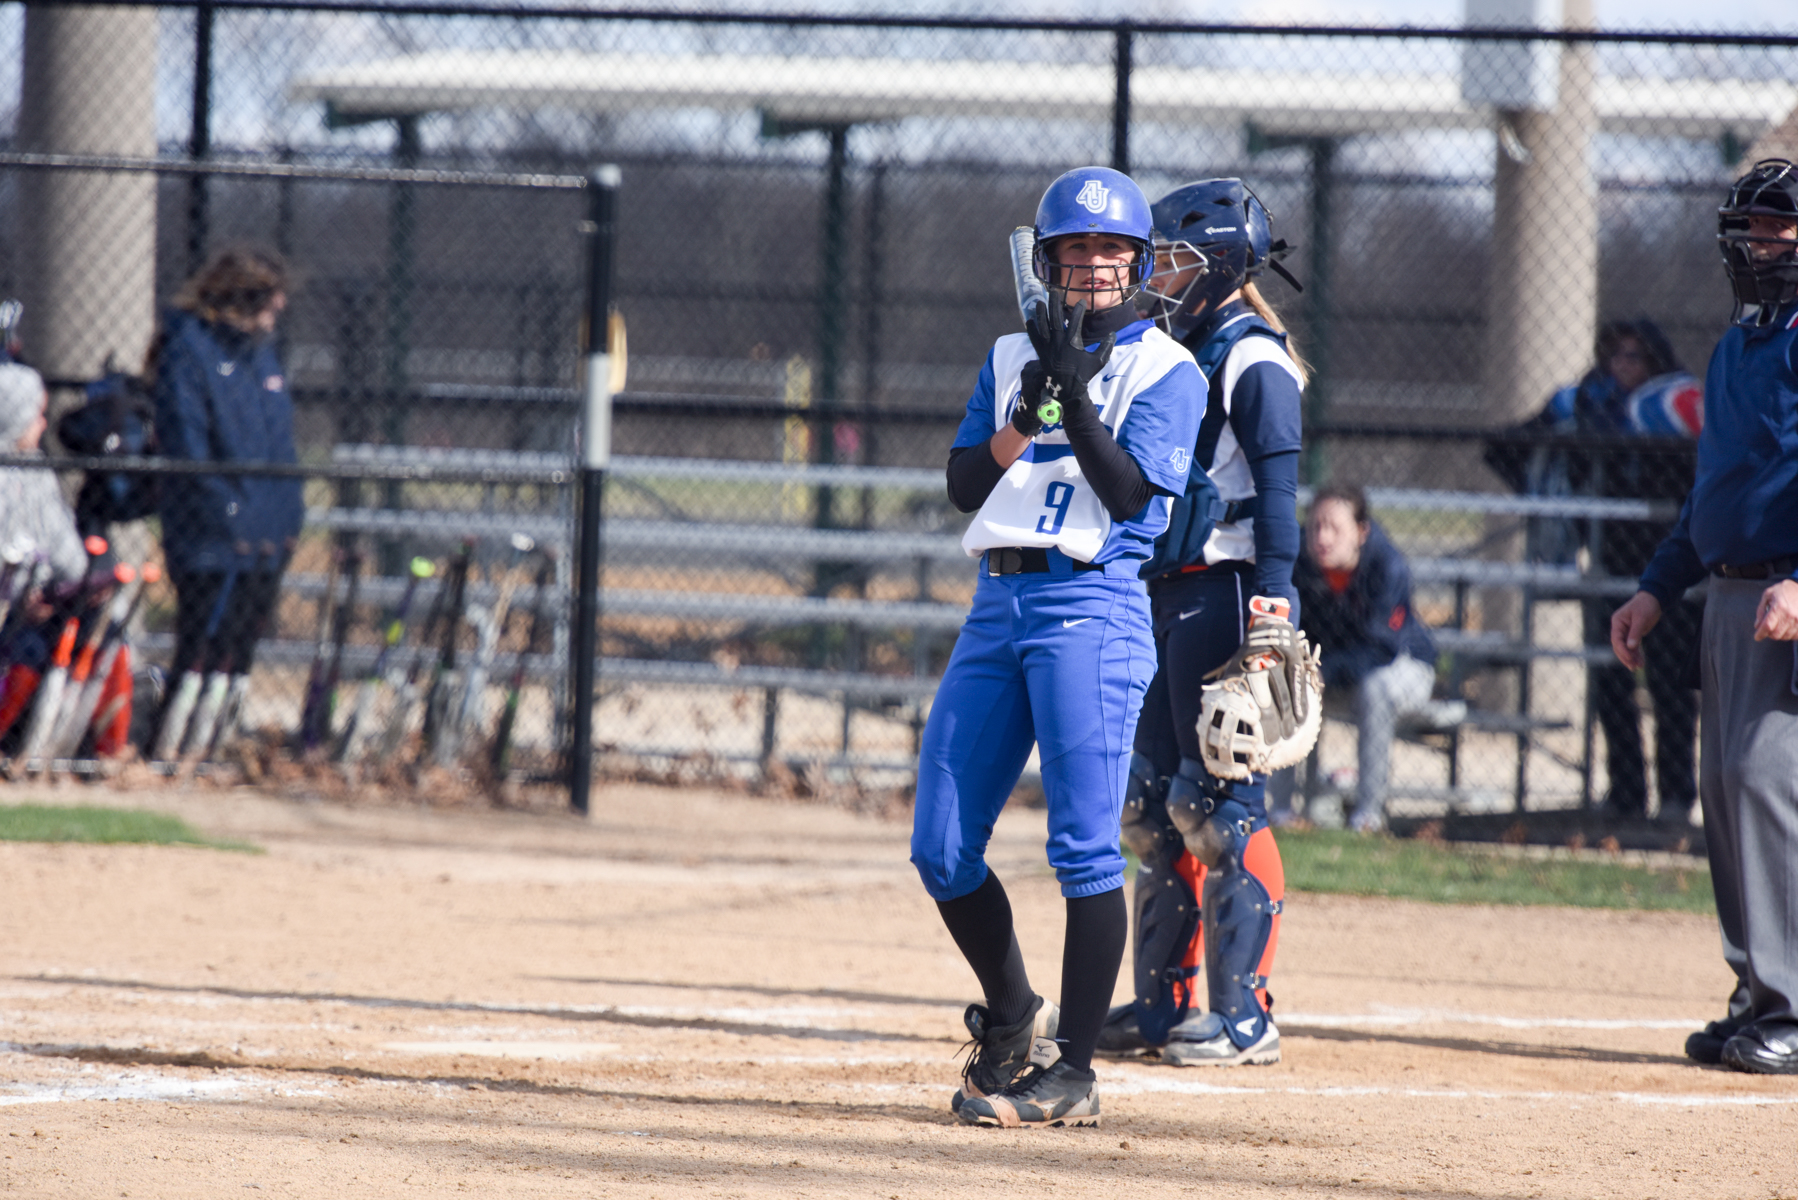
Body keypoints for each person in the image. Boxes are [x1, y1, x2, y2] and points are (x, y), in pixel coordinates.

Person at [910, 166, 1202, 1128]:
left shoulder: (1170, 369)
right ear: (1047, 262)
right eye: (1073, 251)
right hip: (999, 602)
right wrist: (1026, 413)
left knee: (1082, 848)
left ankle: (1073, 1068)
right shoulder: (1008, 353)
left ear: (1141, 265)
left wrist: (1075, 402)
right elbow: (963, 484)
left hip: (1094, 606)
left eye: (1110, 250)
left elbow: (1128, 496)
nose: (1091, 268)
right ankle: (1011, 1018)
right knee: (942, 845)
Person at [1094, 178, 1306, 1069]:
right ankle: (1162, 1006)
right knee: (1148, 806)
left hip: (1225, 591)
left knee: (1217, 804)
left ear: (1220, 265)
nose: (1161, 276)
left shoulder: (1250, 355)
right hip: (1167, 588)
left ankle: (1244, 1013)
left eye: (1177, 260)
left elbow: (1283, 493)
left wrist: (1275, 603)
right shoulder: (1179, 347)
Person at [1611, 158, 1798, 1075]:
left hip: (1786, 597)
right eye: (1753, 228)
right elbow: (1712, 491)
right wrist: (1655, 585)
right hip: (1728, 591)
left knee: (1766, 783)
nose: (1761, 245)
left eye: (1780, 229)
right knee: (1724, 792)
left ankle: (1793, 1003)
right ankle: (1755, 990)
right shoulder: (1737, 344)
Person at [1524, 320, 1704, 823]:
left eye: (1635, 358)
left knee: (1670, 684)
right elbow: (1514, 444)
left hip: (1671, 572)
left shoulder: (1673, 406)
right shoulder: (1590, 405)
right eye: (1615, 357)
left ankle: (1675, 797)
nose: (1624, 368)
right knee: (1610, 679)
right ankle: (1626, 793)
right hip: (1610, 565)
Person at [148, 247, 301, 758]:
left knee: (240, 648)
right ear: (237, 297)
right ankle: (167, 748)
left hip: (267, 528)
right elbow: (187, 445)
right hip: (210, 528)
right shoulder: (187, 350)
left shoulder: (261, 354)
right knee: (200, 642)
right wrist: (228, 513)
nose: (277, 307)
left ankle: (214, 746)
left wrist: (285, 517)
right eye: (266, 298)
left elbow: (281, 445)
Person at [1266, 485, 1439, 833]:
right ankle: (1280, 813)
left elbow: (1381, 648)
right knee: (1288, 683)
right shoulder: (1300, 563)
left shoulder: (1387, 566)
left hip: (1402, 666)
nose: (1322, 537)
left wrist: (1322, 671)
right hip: (1331, 667)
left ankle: (1368, 817)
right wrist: (1308, 672)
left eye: (1334, 527)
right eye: (1315, 526)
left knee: (1375, 689)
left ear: (1361, 532)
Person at [0, 363, 88, 583]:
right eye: (37, 414)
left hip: (41, 591)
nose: (42, 424)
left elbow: (69, 557)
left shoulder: (34, 469)